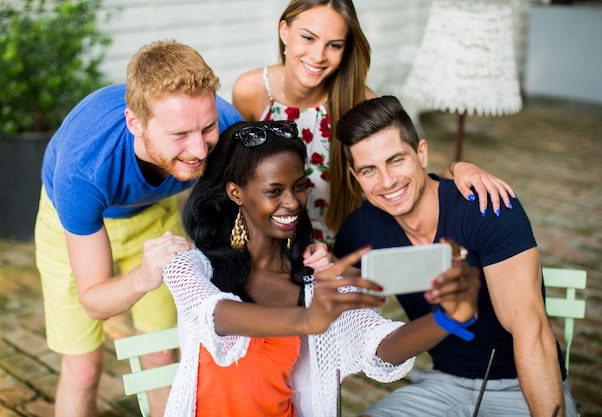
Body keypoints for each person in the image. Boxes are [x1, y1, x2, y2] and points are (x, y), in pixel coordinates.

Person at [34, 40, 318, 417]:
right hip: (72, 222)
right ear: (135, 122)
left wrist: (304, 250)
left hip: (153, 214)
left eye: (206, 128)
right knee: (84, 368)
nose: (200, 150)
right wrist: (144, 276)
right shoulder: (84, 169)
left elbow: (270, 196)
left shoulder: (226, 125)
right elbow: (95, 301)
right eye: (179, 135)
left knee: (163, 352)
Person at [161, 120, 481, 417]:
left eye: (298, 187)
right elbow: (213, 314)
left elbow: (381, 344)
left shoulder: (314, 280)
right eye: (275, 191)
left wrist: (447, 318)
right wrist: (309, 319)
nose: (293, 202)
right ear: (236, 192)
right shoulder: (193, 266)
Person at [332, 96, 578, 417]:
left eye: (396, 160)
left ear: (422, 153)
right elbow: (335, 318)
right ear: (355, 177)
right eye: (369, 170)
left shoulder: (486, 208)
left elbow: (531, 330)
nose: (387, 181)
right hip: (442, 386)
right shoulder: (359, 232)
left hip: (519, 385)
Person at [232, 0, 515, 246]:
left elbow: (403, 172)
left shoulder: (361, 101)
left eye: (334, 45)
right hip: (273, 242)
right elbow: (238, 177)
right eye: (308, 38)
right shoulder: (251, 91)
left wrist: (458, 168)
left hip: (345, 245)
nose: (318, 56)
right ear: (285, 31)